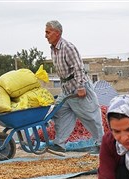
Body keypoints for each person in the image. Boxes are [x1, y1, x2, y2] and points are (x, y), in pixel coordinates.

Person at [45, 20, 104, 154]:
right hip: (66, 90)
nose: (46, 35)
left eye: (48, 32)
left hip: (78, 88)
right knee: (59, 113)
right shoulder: (53, 49)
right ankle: (59, 143)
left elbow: (78, 67)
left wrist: (81, 87)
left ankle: (102, 145)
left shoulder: (67, 47)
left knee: (90, 116)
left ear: (57, 33)